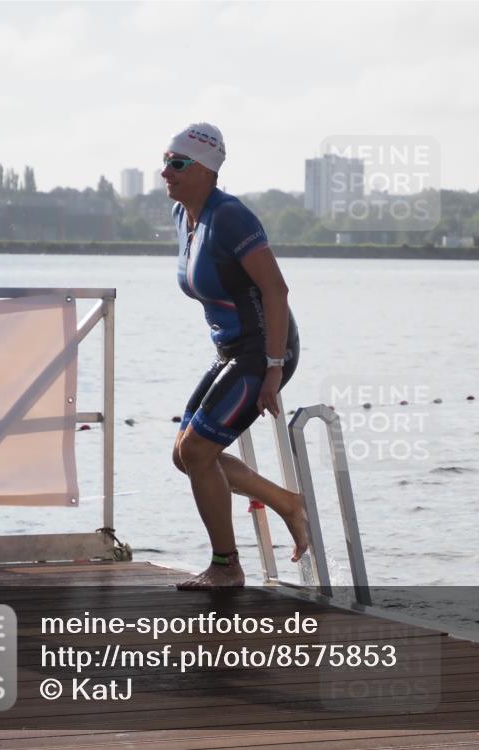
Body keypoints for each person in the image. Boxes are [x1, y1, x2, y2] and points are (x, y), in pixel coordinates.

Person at [164, 122, 309, 588]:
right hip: (231, 350)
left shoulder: (231, 217)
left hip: (264, 349)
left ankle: (227, 567)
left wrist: (271, 371)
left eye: (177, 163)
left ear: (207, 170)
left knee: (198, 450)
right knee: (185, 456)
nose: (166, 171)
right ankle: (287, 504)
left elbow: (276, 289)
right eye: (165, 161)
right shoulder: (182, 217)